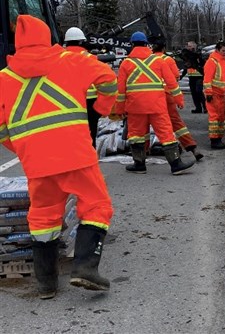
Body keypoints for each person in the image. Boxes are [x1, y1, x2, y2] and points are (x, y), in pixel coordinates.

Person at [0, 15, 119, 299]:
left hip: (37, 162)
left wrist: (25, 150)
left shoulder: (4, 78)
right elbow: (109, 79)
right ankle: (85, 268)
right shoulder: (72, 60)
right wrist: (101, 108)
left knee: (43, 217)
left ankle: (46, 284)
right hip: (75, 154)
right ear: (47, 37)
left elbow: (2, 129)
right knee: (96, 205)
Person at [115, 31, 194, 175]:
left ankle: (139, 164)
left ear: (132, 44)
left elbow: (121, 90)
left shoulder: (126, 63)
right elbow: (172, 83)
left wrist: (119, 109)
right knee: (165, 133)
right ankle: (176, 164)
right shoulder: (158, 61)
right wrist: (179, 100)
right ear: (147, 44)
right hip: (157, 105)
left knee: (137, 134)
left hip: (135, 107)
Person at [151, 38, 204, 161]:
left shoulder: (147, 60)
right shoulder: (168, 59)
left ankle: (141, 157)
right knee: (176, 123)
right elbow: (176, 76)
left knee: (145, 125)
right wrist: (178, 99)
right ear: (164, 49)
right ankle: (192, 148)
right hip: (166, 94)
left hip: (150, 96)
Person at [64, 26, 102, 147]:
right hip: (90, 102)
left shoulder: (59, 57)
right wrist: (102, 107)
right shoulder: (91, 58)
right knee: (91, 133)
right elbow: (104, 82)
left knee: (71, 133)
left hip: (66, 101)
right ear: (82, 41)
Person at [180, 41, 206, 114]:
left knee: (199, 91)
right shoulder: (187, 56)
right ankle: (198, 108)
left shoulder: (197, 55)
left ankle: (205, 107)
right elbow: (186, 67)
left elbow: (202, 63)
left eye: (189, 46)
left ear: (193, 46)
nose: (187, 47)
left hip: (199, 76)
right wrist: (181, 76)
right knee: (194, 93)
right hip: (191, 76)